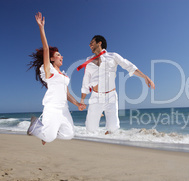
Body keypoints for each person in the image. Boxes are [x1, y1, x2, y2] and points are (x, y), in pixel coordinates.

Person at [27, 12, 86, 145]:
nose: (62, 57)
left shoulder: (63, 75)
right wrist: (41, 28)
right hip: (52, 108)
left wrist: (77, 104)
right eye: (59, 55)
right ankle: (38, 127)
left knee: (69, 134)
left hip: (63, 109)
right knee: (49, 138)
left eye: (61, 55)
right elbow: (46, 49)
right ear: (52, 58)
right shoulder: (48, 71)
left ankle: (47, 132)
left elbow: (67, 94)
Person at [79, 35, 155, 135]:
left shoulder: (113, 56)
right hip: (95, 97)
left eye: (92, 42)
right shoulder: (88, 61)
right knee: (90, 128)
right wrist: (82, 101)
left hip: (111, 96)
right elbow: (86, 81)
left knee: (113, 128)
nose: (90, 45)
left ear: (99, 43)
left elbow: (129, 66)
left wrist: (145, 76)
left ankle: (107, 144)